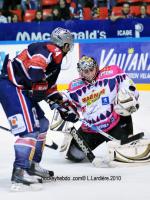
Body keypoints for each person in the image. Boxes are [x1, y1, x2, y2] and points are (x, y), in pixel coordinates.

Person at [0, 27, 74, 191]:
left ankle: (32, 166)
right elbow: (35, 73)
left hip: (18, 88)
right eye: (70, 44)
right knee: (29, 131)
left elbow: (48, 86)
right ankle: (19, 173)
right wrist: (41, 87)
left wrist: (62, 105)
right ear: (66, 44)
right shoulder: (49, 50)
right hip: (12, 86)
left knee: (42, 123)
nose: (71, 47)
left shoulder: (55, 58)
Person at [58, 55, 139, 165]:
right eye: (86, 71)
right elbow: (62, 100)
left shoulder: (112, 73)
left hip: (115, 123)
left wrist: (130, 98)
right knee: (74, 155)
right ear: (81, 72)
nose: (90, 73)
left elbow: (130, 87)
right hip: (91, 129)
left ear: (96, 67)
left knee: (123, 154)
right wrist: (65, 110)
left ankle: (124, 140)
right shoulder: (75, 87)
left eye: (91, 69)